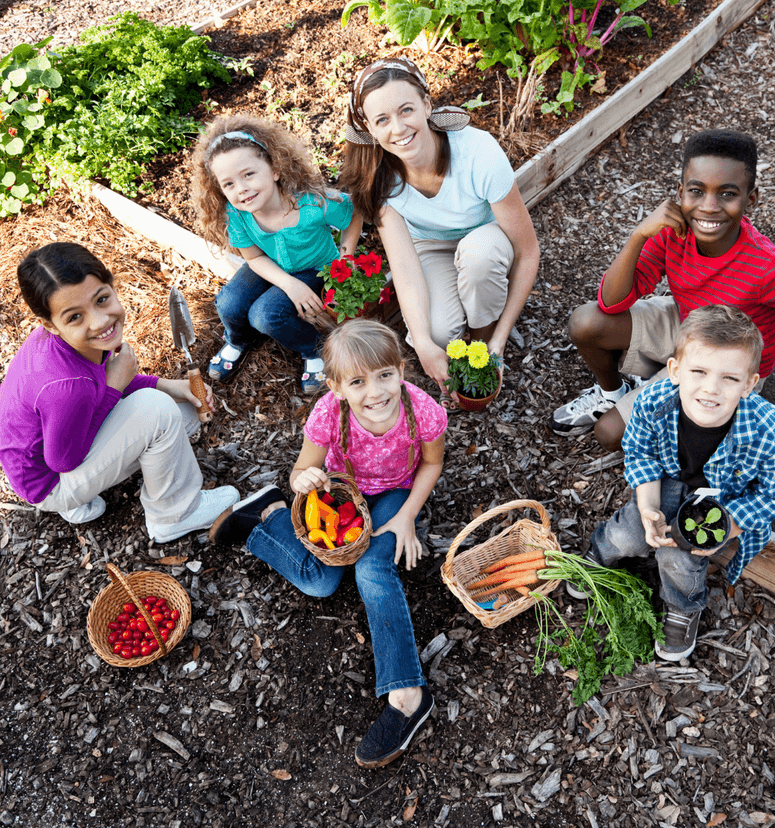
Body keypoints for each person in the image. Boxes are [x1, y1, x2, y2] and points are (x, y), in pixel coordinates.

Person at [209, 319, 447, 768]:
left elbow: (431, 465)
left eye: (384, 375)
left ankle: (407, 696)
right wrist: (305, 480)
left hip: (395, 492)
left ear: (401, 370)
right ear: (337, 387)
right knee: (320, 583)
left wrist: (406, 517)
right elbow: (301, 473)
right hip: (340, 493)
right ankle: (266, 520)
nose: (375, 392)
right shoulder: (328, 415)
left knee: (373, 567)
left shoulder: (423, 410)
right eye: (358, 382)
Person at [551, 129, 775, 449]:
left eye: (727, 194)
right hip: (686, 323)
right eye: (697, 191)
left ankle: (711, 422)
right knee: (587, 321)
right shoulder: (672, 233)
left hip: (726, 363)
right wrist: (639, 235)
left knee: (611, 435)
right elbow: (612, 304)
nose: (709, 206)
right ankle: (614, 394)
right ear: (681, 193)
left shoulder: (768, 269)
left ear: (750, 199)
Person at [568, 305, 775, 661]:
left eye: (730, 378)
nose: (711, 389)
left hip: (724, 500)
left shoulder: (769, 428)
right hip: (667, 480)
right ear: (674, 371)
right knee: (628, 533)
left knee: (680, 556)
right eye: (699, 372)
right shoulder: (652, 402)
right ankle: (601, 553)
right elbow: (641, 454)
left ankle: (682, 605)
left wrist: (727, 527)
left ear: (750, 384)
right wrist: (647, 507)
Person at [0, 242, 239, 541]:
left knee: (183, 410)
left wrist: (168, 385)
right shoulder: (66, 388)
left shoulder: (73, 343)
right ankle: (175, 515)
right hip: (50, 483)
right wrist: (116, 387)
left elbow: (103, 383)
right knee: (159, 412)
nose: (100, 321)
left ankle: (85, 497)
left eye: (101, 299)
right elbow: (64, 460)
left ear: (112, 286)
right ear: (50, 325)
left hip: (40, 452)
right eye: (75, 316)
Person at [338, 57, 540, 411]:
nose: (398, 128)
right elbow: (404, 269)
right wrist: (426, 345)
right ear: (370, 129)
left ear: (427, 105)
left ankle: (484, 333)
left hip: (487, 239)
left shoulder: (478, 153)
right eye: (382, 120)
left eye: (406, 110)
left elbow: (528, 252)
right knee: (438, 335)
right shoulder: (379, 178)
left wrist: (499, 340)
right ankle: (466, 327)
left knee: (479, 259)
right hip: (431, 247)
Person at [191, 115, 362, 393]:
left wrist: (346, 256)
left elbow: (353, 213)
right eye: (229, 184)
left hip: (314, 267)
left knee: (267, 315)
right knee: (228, 303)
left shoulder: (310, 203)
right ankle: (238, 339)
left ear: (275, 169)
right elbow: (254, 258)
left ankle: (314, 349)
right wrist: (287, 283)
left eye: (248, 174)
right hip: (269, 265)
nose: (242, 189)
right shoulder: (236, 214)